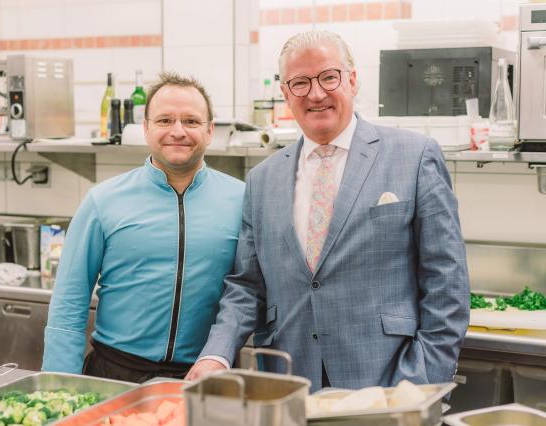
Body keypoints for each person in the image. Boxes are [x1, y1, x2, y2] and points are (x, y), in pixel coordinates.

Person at [187, 30, 470, 391]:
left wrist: (423, 380)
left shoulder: (414, 156)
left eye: (328, 77)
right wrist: (216, 355)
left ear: (352, 80)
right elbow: (247, 286)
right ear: (285, 93)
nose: (316, 93)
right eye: (300, 83)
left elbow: (447, 282)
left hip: (390, 383)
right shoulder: (262, 179)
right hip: (289, 381)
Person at [42, 72, 245, 383]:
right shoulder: (103, 201)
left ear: (209, 131)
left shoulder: (241, 200)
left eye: (191, 121)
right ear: (146, 128)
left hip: (204, 375)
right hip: (116, 373)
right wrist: (59, 387)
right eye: (165, 120)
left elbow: (248, 292)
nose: (178, 131)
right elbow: (69, 301)